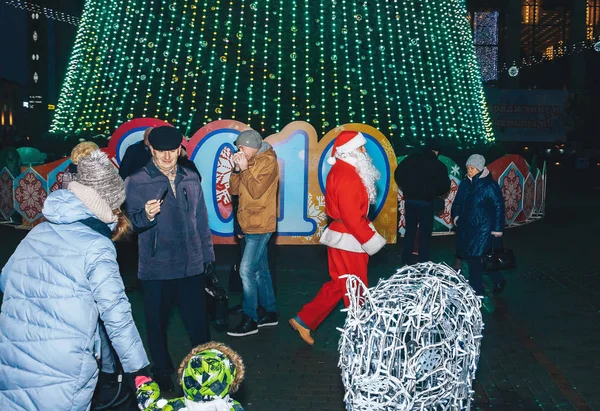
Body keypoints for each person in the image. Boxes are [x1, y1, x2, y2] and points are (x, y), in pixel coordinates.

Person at [0, 150, 149, 410]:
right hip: (63, 364)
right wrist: (139, 369)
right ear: (109, 205)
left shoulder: (38, 232)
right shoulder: (97, 246)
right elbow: (116, 315)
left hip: (14, 354)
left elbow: (6, 280)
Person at [124, 126, 215, 391]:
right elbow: (128, 226)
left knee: (199, 325)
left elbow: (201, 220)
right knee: (156, 324)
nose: (167, 157)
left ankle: (204, 370)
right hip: (157, 266)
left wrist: (207, 256)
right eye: (161, 151)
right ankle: (162, 371)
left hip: (192, 265)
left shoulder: (190, 177)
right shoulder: (136, 181)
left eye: (172, 151)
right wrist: (146, 216)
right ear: (150, 150)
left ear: (180, 150)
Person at [289, 131, 386, 346]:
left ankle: (304, 319)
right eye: (361, 147)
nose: (364, 151)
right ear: (350, 151)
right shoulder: (348, 175)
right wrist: (371, 239)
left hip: (343, 236)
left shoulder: (343, 171)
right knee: (356, 287)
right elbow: (352, 217)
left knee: (339, 284)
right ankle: (360, 336)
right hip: (350, 238)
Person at [227, 129, 279, 337]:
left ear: (252, 146)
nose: (239, 151)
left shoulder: (268, 161)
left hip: (261, 223)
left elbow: (257, 191)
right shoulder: (249, 161)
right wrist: (237, 171)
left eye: (242, 147)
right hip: (248, 221)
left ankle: (251, 318)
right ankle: (270, 312)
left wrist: (245, 169)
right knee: (260, 270)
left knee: (246, 270)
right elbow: (234, 191)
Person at [451, 154, 507, 296]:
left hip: (483, 229)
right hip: (466, 227)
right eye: (468, 168)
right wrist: (456, 217)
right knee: (478, 259)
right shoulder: (465, 183)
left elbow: (499, 206)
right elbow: (457, 202)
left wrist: (497, 229)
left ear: (480, 169)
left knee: (474, 260)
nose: (469, 171)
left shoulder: (489, 185)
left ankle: (476, 293)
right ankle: (498, 279)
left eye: (473, 168)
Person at [135, 342, 245, 411]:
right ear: (232, 383)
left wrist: (145, 386)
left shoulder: (174, 406)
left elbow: (149, 405)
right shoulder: (233, 407)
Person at [394, 142, 450, 265]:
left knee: (410, 231)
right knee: (425, 234)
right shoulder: (439, 165)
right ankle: (423, 260)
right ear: (435, 152)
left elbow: (398, 174)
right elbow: (445, 185)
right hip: (427, 203)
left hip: (411, 201)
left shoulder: (411, 160)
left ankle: (406, 259)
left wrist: (407, 188)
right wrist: (435, 192)